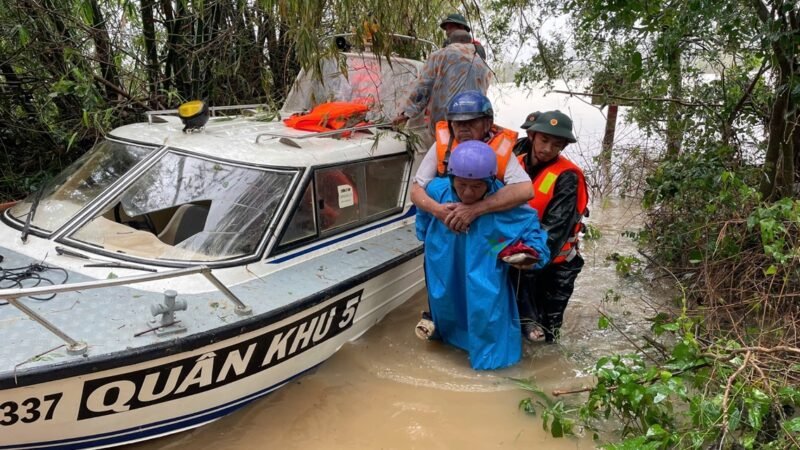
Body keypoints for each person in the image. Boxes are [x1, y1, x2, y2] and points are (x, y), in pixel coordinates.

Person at [415, 141, 550, 370]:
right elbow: (423, 224)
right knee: (447, 314)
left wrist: (523, 254)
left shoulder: (503, 205)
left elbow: (533, 239)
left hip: (483, 275)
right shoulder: (438, 193)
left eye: (476, 187)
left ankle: (493, 374)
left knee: (485, 321)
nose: (468, 192)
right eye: (462, 184)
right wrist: (438, 216)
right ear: (451, 178)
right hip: (446, 269)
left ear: (489, 181)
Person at [409, 91, 533, 234]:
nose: (463, 128)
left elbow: (526, 190)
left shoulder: (500, 150)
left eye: (471, 122)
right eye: (458, 123)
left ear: (487, 123)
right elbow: (416, 191)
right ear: (451, 124)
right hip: (446, 227)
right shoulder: (442, 145)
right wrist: (438, 210)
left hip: (484, 231)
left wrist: (475, 209)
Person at [514, 110, 589, 343]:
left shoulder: (567, 177)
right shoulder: (515, 160)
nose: (547, 148)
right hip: (518, 260)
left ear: (563, 147)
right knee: (515, 323)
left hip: (554, 267)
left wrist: (528, 260)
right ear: (532, 136)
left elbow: (553, 231)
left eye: (556, 144)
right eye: (544, 140)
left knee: (547, 334)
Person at [392, 30, 491, 136]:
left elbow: (423, 87)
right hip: (475, 125)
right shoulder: (482, 64)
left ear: (450, 41)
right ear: (469, 42)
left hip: (447, 124)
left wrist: (406, 114)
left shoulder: (440, 55)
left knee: (443, 149)